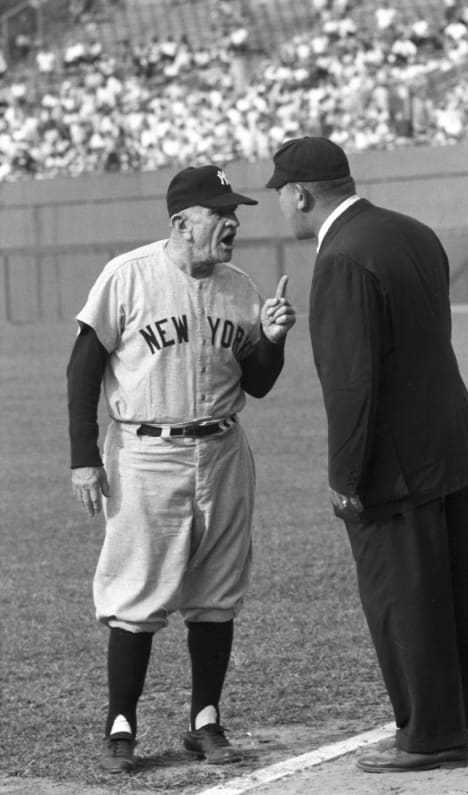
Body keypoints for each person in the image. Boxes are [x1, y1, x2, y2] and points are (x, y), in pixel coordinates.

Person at [265, 136, 468, 773]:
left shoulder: (340, 256)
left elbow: (352, 382)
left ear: (301, 194)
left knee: (402, 597)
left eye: (282, 194)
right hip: (447, 441)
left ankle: (429, 737)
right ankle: (450, 718)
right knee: (444, 591)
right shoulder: (412, 232)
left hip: (393, 465)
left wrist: (345, 477)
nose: (283, 205)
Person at [67, 164, 296, 773]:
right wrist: (83, 459)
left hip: (222, 450)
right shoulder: (129, 276)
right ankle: (121, 723)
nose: (231, 224)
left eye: (236, 214)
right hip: (145, 452)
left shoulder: (241, 288)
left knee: (217, 591)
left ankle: (206, 719)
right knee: (137, 590)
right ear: (181, 222)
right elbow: (83, 368)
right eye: (219, 214)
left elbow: (259, 383)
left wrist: (271, 340)